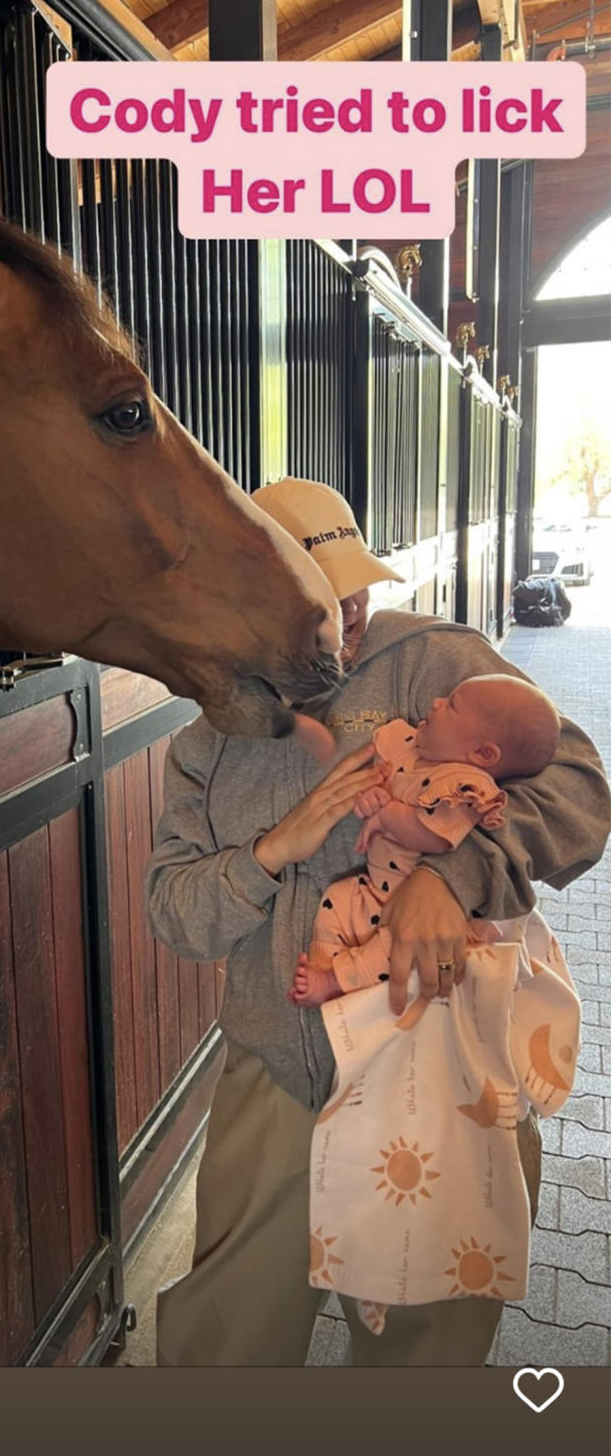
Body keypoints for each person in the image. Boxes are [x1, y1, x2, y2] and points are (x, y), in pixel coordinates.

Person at [145, 478, 610, 1366]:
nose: (347, 609)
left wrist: (456, 871)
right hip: (280, 1070)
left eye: (353, 584)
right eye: (320, 594)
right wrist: (276, 847)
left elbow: (581, 787)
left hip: (448, 1072)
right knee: (226, 1342)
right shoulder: (209, 735)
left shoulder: (439, 662)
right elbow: (173, 911)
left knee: (430, 1348)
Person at [291, 673, 561, 1005]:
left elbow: (434, 836)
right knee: (337, 898)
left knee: (400, 940)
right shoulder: (410, 752)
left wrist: (387, 814)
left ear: (483, 754)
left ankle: (336, 981)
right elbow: (384, 785)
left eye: (452, 705)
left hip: (425, 905)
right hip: (377, 887)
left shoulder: (465, 786)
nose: (436, 702)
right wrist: (372, 797)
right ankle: (326, 964)